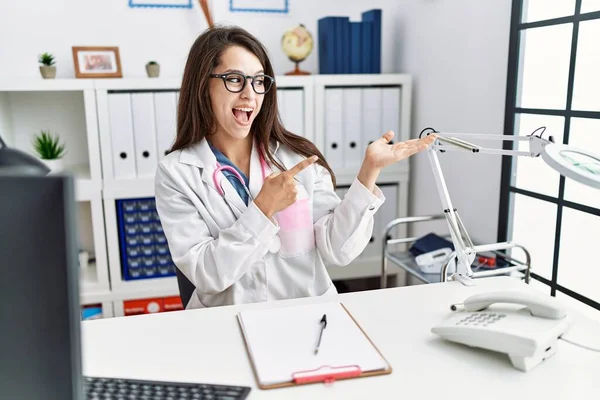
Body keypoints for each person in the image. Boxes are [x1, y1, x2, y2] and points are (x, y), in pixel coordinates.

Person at [155, 25, 435, 310]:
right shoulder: (177, 172)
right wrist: (264, 209)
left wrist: (369, 171)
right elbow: (208, 274)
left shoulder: (294, 157)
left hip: (307, 317)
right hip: (226, 322)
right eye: (235, 80)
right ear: (203, 85)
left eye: (258, 81)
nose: (250, 95)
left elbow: (338, 249)